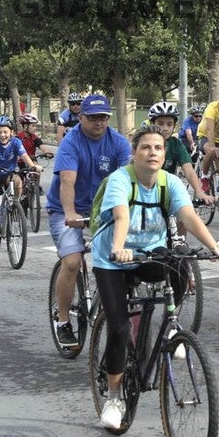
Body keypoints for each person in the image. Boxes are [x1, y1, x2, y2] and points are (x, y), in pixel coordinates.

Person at [91, 125, 219, 429]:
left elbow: (188, 215)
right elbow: (121, 216)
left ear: (164, 155)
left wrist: (213, 246)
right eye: (145, 147)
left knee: (180, 264)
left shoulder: (170, 182)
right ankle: (114, 397)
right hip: (113, 260)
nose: (152, 152)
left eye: (158, 148)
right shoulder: (120, 180)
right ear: (134, 153)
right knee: (119, 327)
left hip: (149, 253)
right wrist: (119, 248)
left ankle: (171, 328)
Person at [47, 93, 132, 348]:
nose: (99, 122)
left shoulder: (118, 143)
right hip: (66, 209)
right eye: (93, 117)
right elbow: (67, 181)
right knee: (72, 261)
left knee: (122, 258)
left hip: (103, 210)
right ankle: (63, 321)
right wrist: (70, 213)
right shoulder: (71, 142)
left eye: (103, 117)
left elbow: (127, 181)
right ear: (81, 117)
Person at [0, 116, 41, 255]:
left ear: (11, 132)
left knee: (17, 180)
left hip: (8, 174)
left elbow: (24, 155)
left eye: (5, 132)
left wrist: (33, 166)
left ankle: (14, 205)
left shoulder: (16, 142)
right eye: (0, 132)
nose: (2, 135)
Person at [147, 101, 212, 206]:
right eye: (160, 123)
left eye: (169, 124)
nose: (165, 128)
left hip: (166, 190)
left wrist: (199, 192)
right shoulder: (144, 144)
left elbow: (189, 171)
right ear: (152, 124)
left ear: (174, 126)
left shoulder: (176, 144)